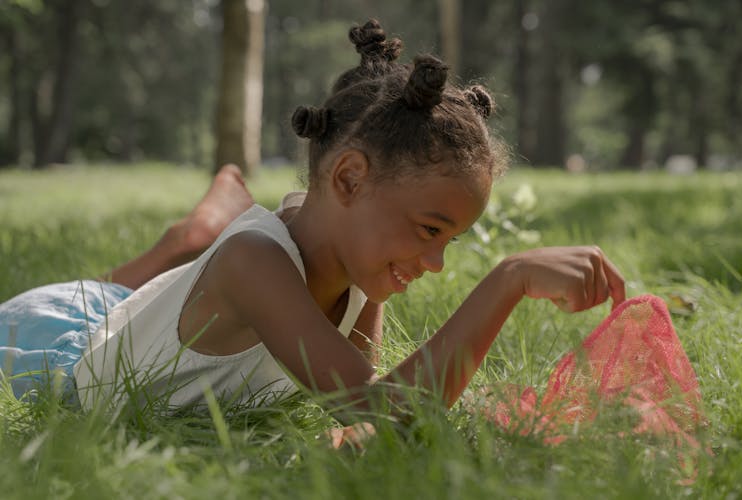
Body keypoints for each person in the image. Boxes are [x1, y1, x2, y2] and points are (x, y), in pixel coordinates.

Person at [0, 20, 626, 424]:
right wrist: (508, 278)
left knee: (136, 304)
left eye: (452, 241)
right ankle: (193, 239)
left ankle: (193, 240)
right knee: (115, 307)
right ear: (349, 178)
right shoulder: (256, 262)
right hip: (50, 353)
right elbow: (378, 410)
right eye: (430, 231)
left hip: (141, 320)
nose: (436, 263)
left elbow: (361, 397)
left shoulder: (355, 262)